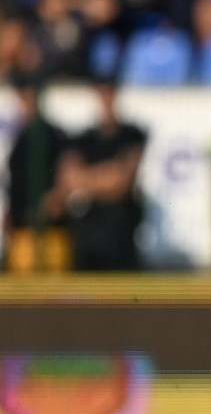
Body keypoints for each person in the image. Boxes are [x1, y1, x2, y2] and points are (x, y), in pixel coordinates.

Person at [59, 81, 147, 272]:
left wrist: (86, 179)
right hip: (88, 242)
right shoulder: (83, 138)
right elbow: (69, 179)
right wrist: (107, 174)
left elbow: (121, 182)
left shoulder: (131, 135)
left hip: (120, 239)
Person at [2, 72, 71, 274]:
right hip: (23, 232)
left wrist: (56, 198)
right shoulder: (20, 137)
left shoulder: (53, 136)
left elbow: (67, 175)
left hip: (50, 233)